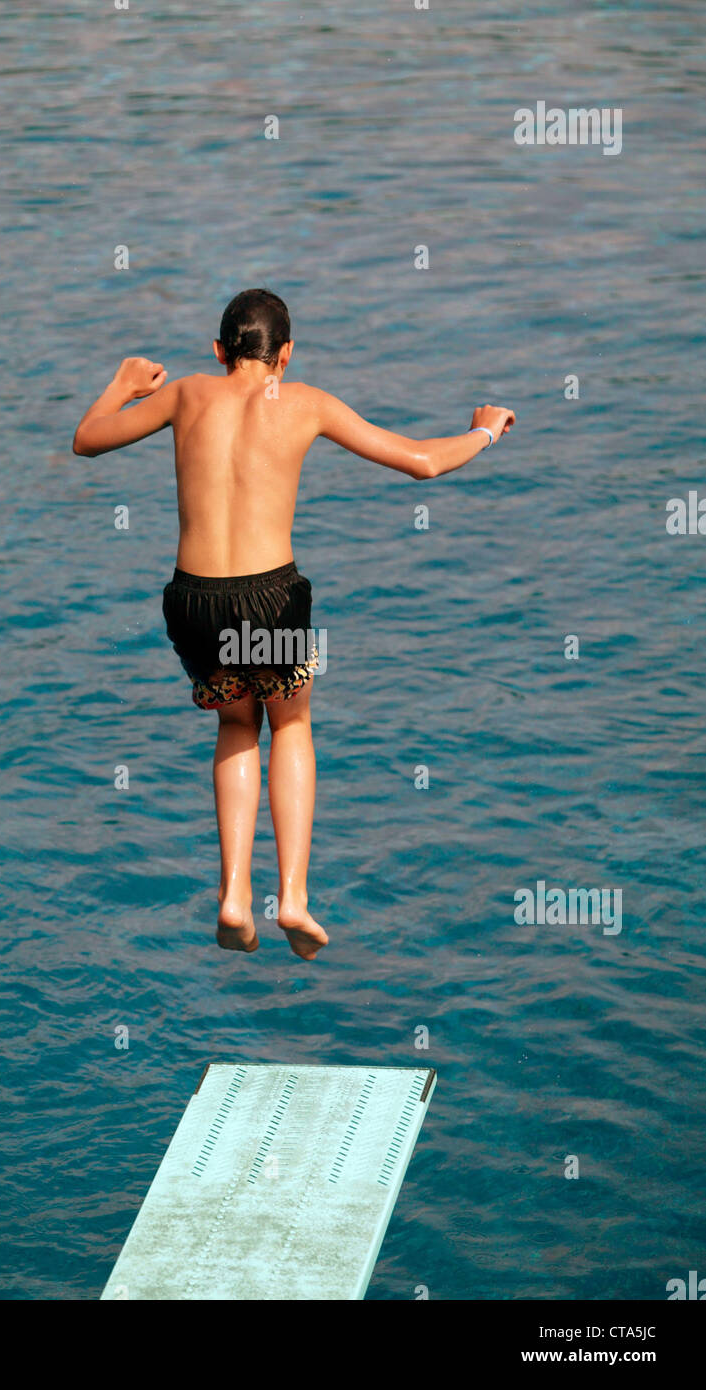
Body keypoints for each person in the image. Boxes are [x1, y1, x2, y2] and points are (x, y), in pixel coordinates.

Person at [73, 288, 515, 960]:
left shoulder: (186, 394)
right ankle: (294, 898)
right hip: (268, 599)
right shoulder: (304, 401)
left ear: (219, 352)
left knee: (234, 724)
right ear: (285, 355)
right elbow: (421, 461)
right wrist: (483, 429)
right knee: (292, 723)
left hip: (192, 599)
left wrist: (122, 385)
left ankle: (232, 897)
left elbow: (86, 439)